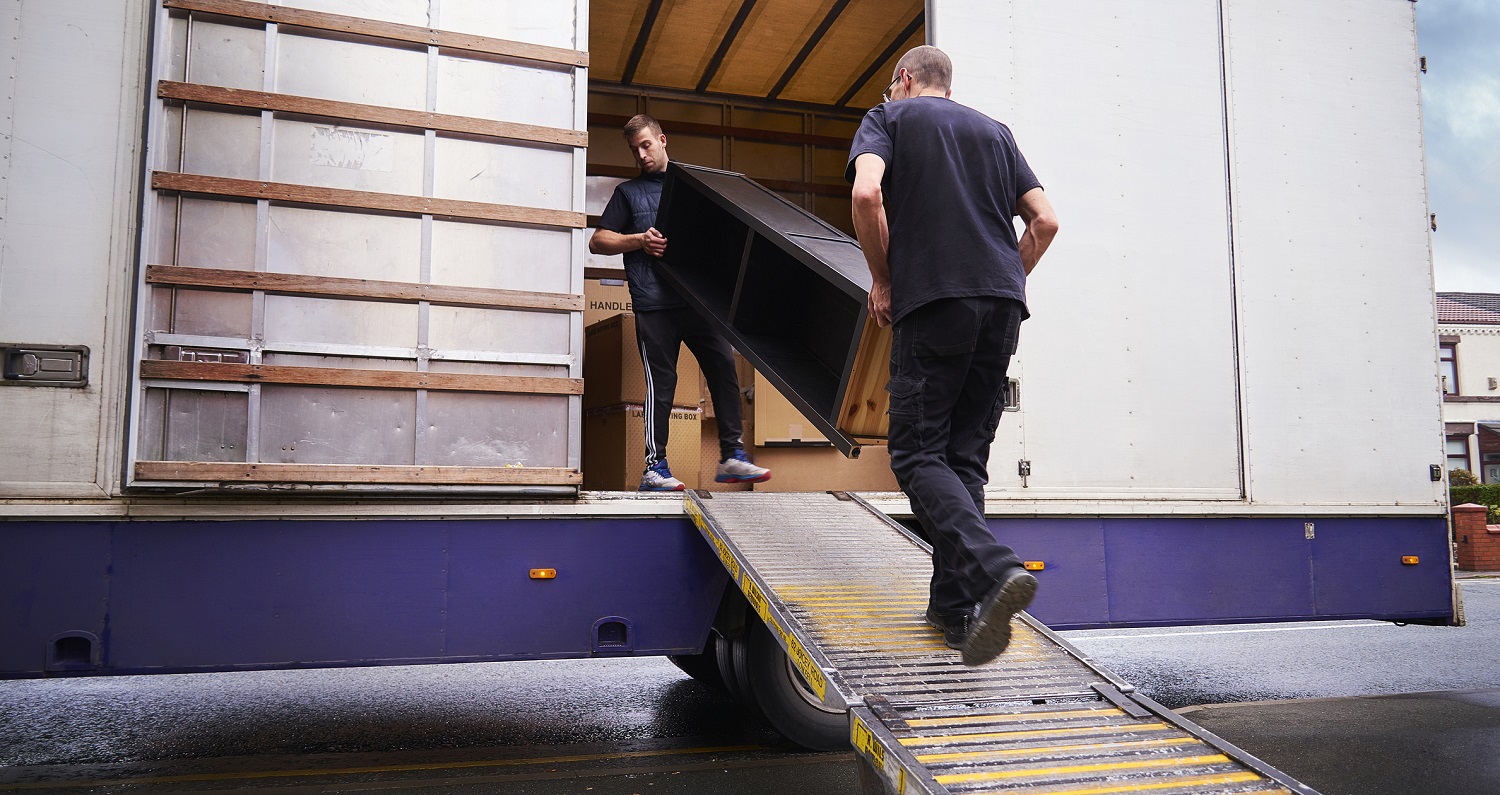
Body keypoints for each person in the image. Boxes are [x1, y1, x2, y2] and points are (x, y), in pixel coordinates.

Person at [847, 46, 1059, 666]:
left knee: (915, 454)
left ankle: (993, 571)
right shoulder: (996, 132)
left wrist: (884, 279)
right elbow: (1044, 220)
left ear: (905, 80)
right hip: (1002, 305)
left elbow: (866, 196)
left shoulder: (888, 119)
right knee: (963, 460)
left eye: (893, 85)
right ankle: (955, 610)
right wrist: (1005, 279)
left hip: (935, 302)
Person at [589, 114, 771, 491]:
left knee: (723, 367)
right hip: (653, 304)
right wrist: (639, 239)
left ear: (662, 140)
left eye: (646, 145)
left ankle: (732, 456)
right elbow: (599, 241)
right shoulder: (628, 194)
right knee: (663, 383)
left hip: (698, 302)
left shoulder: (693, 188)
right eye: (634, 149)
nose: (641, 155)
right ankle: (654, 468)